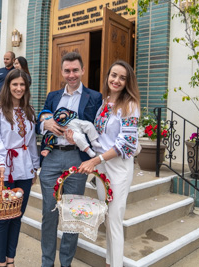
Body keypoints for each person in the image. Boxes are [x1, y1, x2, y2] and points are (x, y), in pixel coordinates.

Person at [36, 51, 102, 267]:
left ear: (82, 70)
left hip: (77, 159)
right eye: (67, 70)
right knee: (49, 213)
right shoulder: (53, 96)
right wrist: (44, 124)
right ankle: (47, 262)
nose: (71, 74)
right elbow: (41, 120)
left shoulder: (95, 97)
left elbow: (96, 130)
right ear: (62, 72)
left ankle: (66, 263)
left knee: (73, 214)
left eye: (75, 70)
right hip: (53, 158)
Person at [77, 60, 140, 267]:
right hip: (102, 166)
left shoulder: (129, 105)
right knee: (107, 218)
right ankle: (109, 262)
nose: (116, 80)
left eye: (122, 77)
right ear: (108, 76)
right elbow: (99, 138)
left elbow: (127, 144)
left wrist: (95, 160)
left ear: (127, 82)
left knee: (114, 220)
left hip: (118, 168)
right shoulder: (104, 103)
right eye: (114, 75)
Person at [0, 69, 39, 267]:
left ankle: (11, 260)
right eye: (15, 84)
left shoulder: (29, 111)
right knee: (3, 217)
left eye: (22, 85)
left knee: (17, 216)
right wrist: (0, 163)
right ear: (8, 86)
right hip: (4, 168)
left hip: (25, 169)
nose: (19, 88)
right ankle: (0, 262)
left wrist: (34, 167)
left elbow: (32, 142)